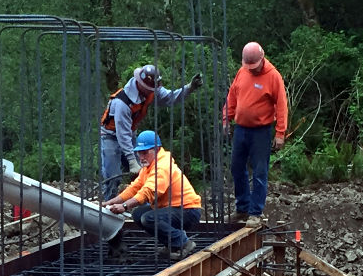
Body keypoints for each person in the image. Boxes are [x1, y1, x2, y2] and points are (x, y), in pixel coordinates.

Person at [100, 65, 203, 200]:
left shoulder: (151, 90)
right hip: (111, 136)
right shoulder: (122, 103)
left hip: (130, 134)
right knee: (112, 176)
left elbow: (169, 97)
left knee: (144, 172)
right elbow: (122, 134)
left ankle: (140, 202)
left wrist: (189, 88)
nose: (152, 92)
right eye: (150, 89)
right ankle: (109, 203)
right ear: (140, 84)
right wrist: (132, 161)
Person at [104, 130, 201, 260]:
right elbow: (134, 188)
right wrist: (110, 203)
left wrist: (125, 206)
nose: (141, 157)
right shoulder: (149, 166)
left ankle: (183, 243)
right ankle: (172, 245)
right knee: (138, 214)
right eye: (139, 153)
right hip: (172, 208)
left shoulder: (162, 167)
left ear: (157, 149)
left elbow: (148, 191)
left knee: (149, 218)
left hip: (188, 210)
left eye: (145, 153)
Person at [222, 42, 287, 229]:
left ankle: (255, 212)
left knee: (259, 172)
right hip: (241, 129)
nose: (251, 69)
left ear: (262, 59)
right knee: (236, 167)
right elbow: (232, 96)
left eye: (254, 66)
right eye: (248, 66)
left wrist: (280, 132)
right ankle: (242, 207)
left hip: (261, 131)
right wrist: (226, 118)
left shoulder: (273, 76)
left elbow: (281, 105)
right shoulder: (242, 72)